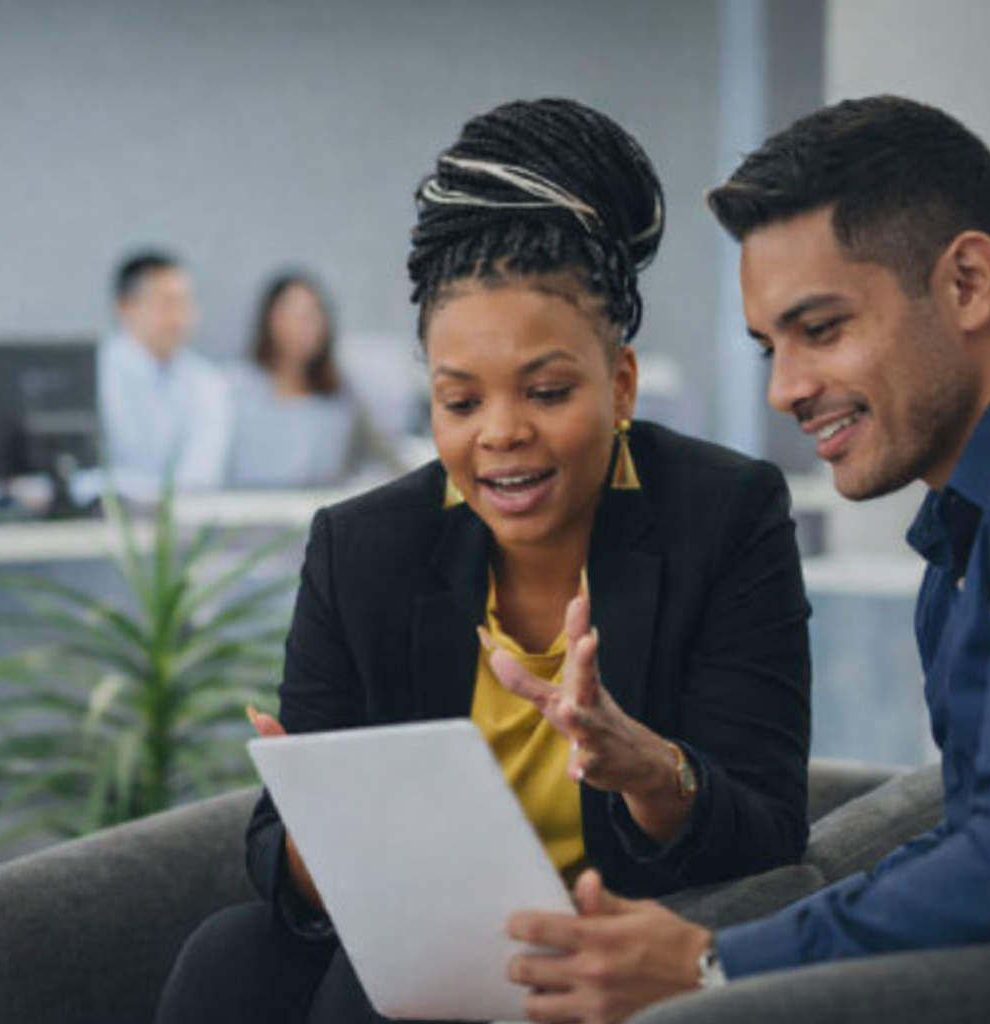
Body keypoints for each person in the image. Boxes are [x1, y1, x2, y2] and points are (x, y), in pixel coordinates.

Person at [154, 98, 812, 1024]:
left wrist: (648, 769)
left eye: (546, 390)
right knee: (229, 957)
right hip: (419, 929)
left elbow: (774, 832)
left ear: (620, 384)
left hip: (611, 935)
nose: (501, 433)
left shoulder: (725, 515)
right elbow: (281, 864)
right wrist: (330, 835)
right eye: (459, 403)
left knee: (363, 999)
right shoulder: (363, 547)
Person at [497, 95, 990, 1023]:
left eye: (823, 329)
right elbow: (983, 835)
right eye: (769, 346)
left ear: (967, 282)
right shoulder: (963, 537)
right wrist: (702, 948)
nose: (786, 390)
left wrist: (717, 966)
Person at [226, 272, 402, 488]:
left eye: (313, 315)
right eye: (295, 314)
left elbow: (391, 461)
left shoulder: (342, 395)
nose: (305, 326)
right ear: (270, 319)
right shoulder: (235, 389)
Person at [97, 250, 232, 498]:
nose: (179, 318)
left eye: (185, 303)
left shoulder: (206, 381)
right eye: (166, 304)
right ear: (125, 307)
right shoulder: (94, 373)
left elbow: (200, 477)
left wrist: (116, 486)